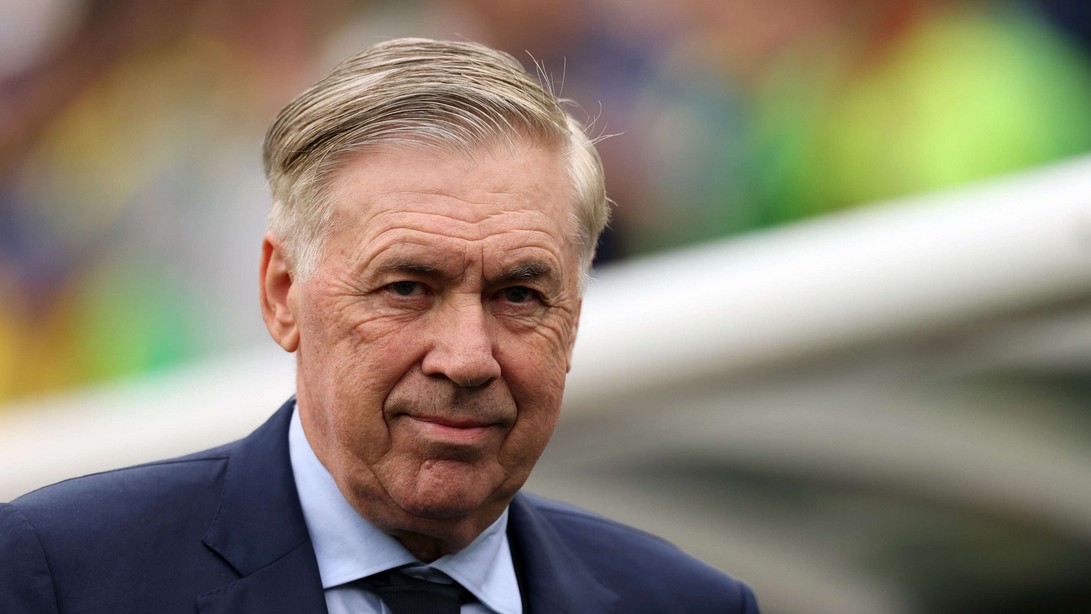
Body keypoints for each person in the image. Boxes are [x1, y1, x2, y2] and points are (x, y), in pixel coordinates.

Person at [0, 38, 758, 613]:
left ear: (575, 318)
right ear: (282, 293)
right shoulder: (60, 576)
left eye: (519, 296)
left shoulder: (687, 604)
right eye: (406, 288)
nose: (467, 358)